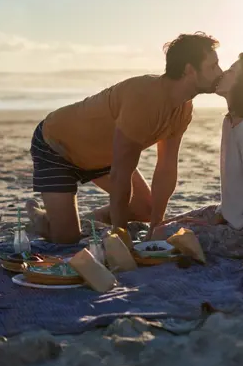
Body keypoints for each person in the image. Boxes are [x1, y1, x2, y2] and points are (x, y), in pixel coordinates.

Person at [25, 32, 223, 244]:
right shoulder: (144, 99)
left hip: (105, 155)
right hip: (57, 147)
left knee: (145, 209)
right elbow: (121, 174)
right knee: (66, 239)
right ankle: (41, 218)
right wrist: (121, 235)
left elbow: (166, 167)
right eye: (213, 66)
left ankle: (86, 219)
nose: (220, 72)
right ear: (189, 70)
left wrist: (156, 228)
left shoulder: (183, 107)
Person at [152, 53, 243, 268]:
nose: (223, 74)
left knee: (163, 235)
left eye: (231, 72)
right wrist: (220, 216)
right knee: (163, 227)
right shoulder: (231, 121)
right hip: (238, 218)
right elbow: (237, 190)